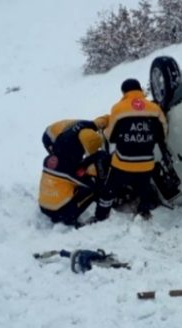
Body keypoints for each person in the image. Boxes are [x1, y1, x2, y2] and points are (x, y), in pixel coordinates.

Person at [94, 78, 168, 221]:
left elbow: (110, 136)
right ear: (140, 89)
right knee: (144, 188)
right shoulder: (154, 108)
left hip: (122, 163)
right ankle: (144, 211)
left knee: (109, 190)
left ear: (124, 92)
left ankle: (101, 215)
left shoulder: (118, 108)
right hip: (146, 163)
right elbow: (162, 134)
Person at [38, 121, 109, 227]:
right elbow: (88, 183)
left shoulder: (51, 158)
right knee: (94, 189)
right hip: (59, 212)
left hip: (43, 206)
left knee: (65, 182)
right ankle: (71, 218)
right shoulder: (69, 167)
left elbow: (74, 169)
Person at [42, 115, 109, 154]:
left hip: (61, 131)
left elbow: (102, 120)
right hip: (50, 138)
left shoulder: (90, 126)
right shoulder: (65, 141)